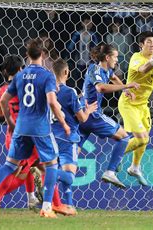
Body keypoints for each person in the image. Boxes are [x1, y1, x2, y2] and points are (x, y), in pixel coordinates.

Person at [0, 38, 70, 218]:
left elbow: (2, 101)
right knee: (50, 165)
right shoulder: (46, 75)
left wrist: (11, 123)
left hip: (19, 129)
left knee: (10, 166)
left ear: (27, 55)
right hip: (39, 128)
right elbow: (50, 101)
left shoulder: (20, 76)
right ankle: (47, 207)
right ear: (43, 54)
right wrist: (64, 122)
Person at [79, 43, 140, 189]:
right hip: (92, 114)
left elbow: (113, 78)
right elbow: (101, 87)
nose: (117, 60)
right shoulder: (95, 69)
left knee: (73, 156)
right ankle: (110, 171)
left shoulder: (106, 71)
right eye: (115, 57)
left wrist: (124, 90)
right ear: (107, 57)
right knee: (124, 137)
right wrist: (127, 86)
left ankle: (47, 177)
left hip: (81, 116)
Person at [118, 31, 153, 186]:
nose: (152, 44)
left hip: (143, 105)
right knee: (142, 138)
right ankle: (116, 157)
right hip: (129, 103)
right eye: (148, 42)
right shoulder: (136, 57)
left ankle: (135, 167)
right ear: (141, 45)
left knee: (144, 140)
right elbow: (143, 69)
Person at [52, 58, 97, 216]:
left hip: (50, 137)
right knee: (69, 176)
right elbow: (82, 118)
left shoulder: (49, 91)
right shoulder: (69, 91)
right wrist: (89, 110)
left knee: (60, 173)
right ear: (66, 72)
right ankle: (43, 173)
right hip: (67, 137)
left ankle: (68, 205)